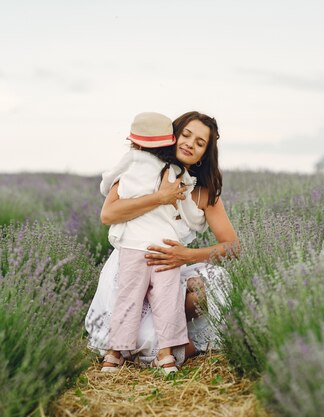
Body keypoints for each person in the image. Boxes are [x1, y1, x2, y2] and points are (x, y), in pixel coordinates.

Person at [86, 111, 239, 370]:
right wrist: (160, 197)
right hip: (130, 265)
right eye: (186, 135)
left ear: (205, 154)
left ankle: (173, 337)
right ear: (172, 136)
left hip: (170, 267)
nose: (190, 144)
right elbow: (108, 214)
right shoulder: (140, 171)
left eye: (200, 143)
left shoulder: (204, 193)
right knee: (142, 338)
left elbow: (233, 247)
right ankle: (175, 345)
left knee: (217, 282)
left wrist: (187, 256)